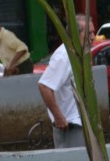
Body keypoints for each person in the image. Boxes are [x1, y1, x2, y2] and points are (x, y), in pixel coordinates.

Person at [38, 13, 95, 149]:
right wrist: (58, 116)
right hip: (71, 125)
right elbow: (44, 86)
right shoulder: (64, 56)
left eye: (93, 32)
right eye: (89, 33)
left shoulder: (81, 53)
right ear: (76, 34)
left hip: (82, 122)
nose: (93, 37)